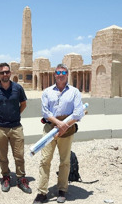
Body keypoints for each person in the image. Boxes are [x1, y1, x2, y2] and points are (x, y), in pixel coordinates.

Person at [33, 64, 85, 204]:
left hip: (67, 130)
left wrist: (64, 125)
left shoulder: (74, 92)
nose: (60, 74)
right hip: (50, 129)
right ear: (54, 74)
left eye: (63, 72)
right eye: (58, 72)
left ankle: (62, 189)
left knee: (65, 161)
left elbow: (78, 113)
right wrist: (58, 124)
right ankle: (42, 192)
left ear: (67, 74)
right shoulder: (47, 91)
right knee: (45, 160)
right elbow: (45, 112)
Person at [0, 63, 31, 194]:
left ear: (10, 73)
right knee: (3, 155)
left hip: (16, 127)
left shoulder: (18, 88)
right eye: (2, 73)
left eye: (7, 72)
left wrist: (15, 115)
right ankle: (5, 177)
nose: (4, 75)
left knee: (19, 155)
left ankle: (21, 179)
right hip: (0, 128)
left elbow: (23, 104)